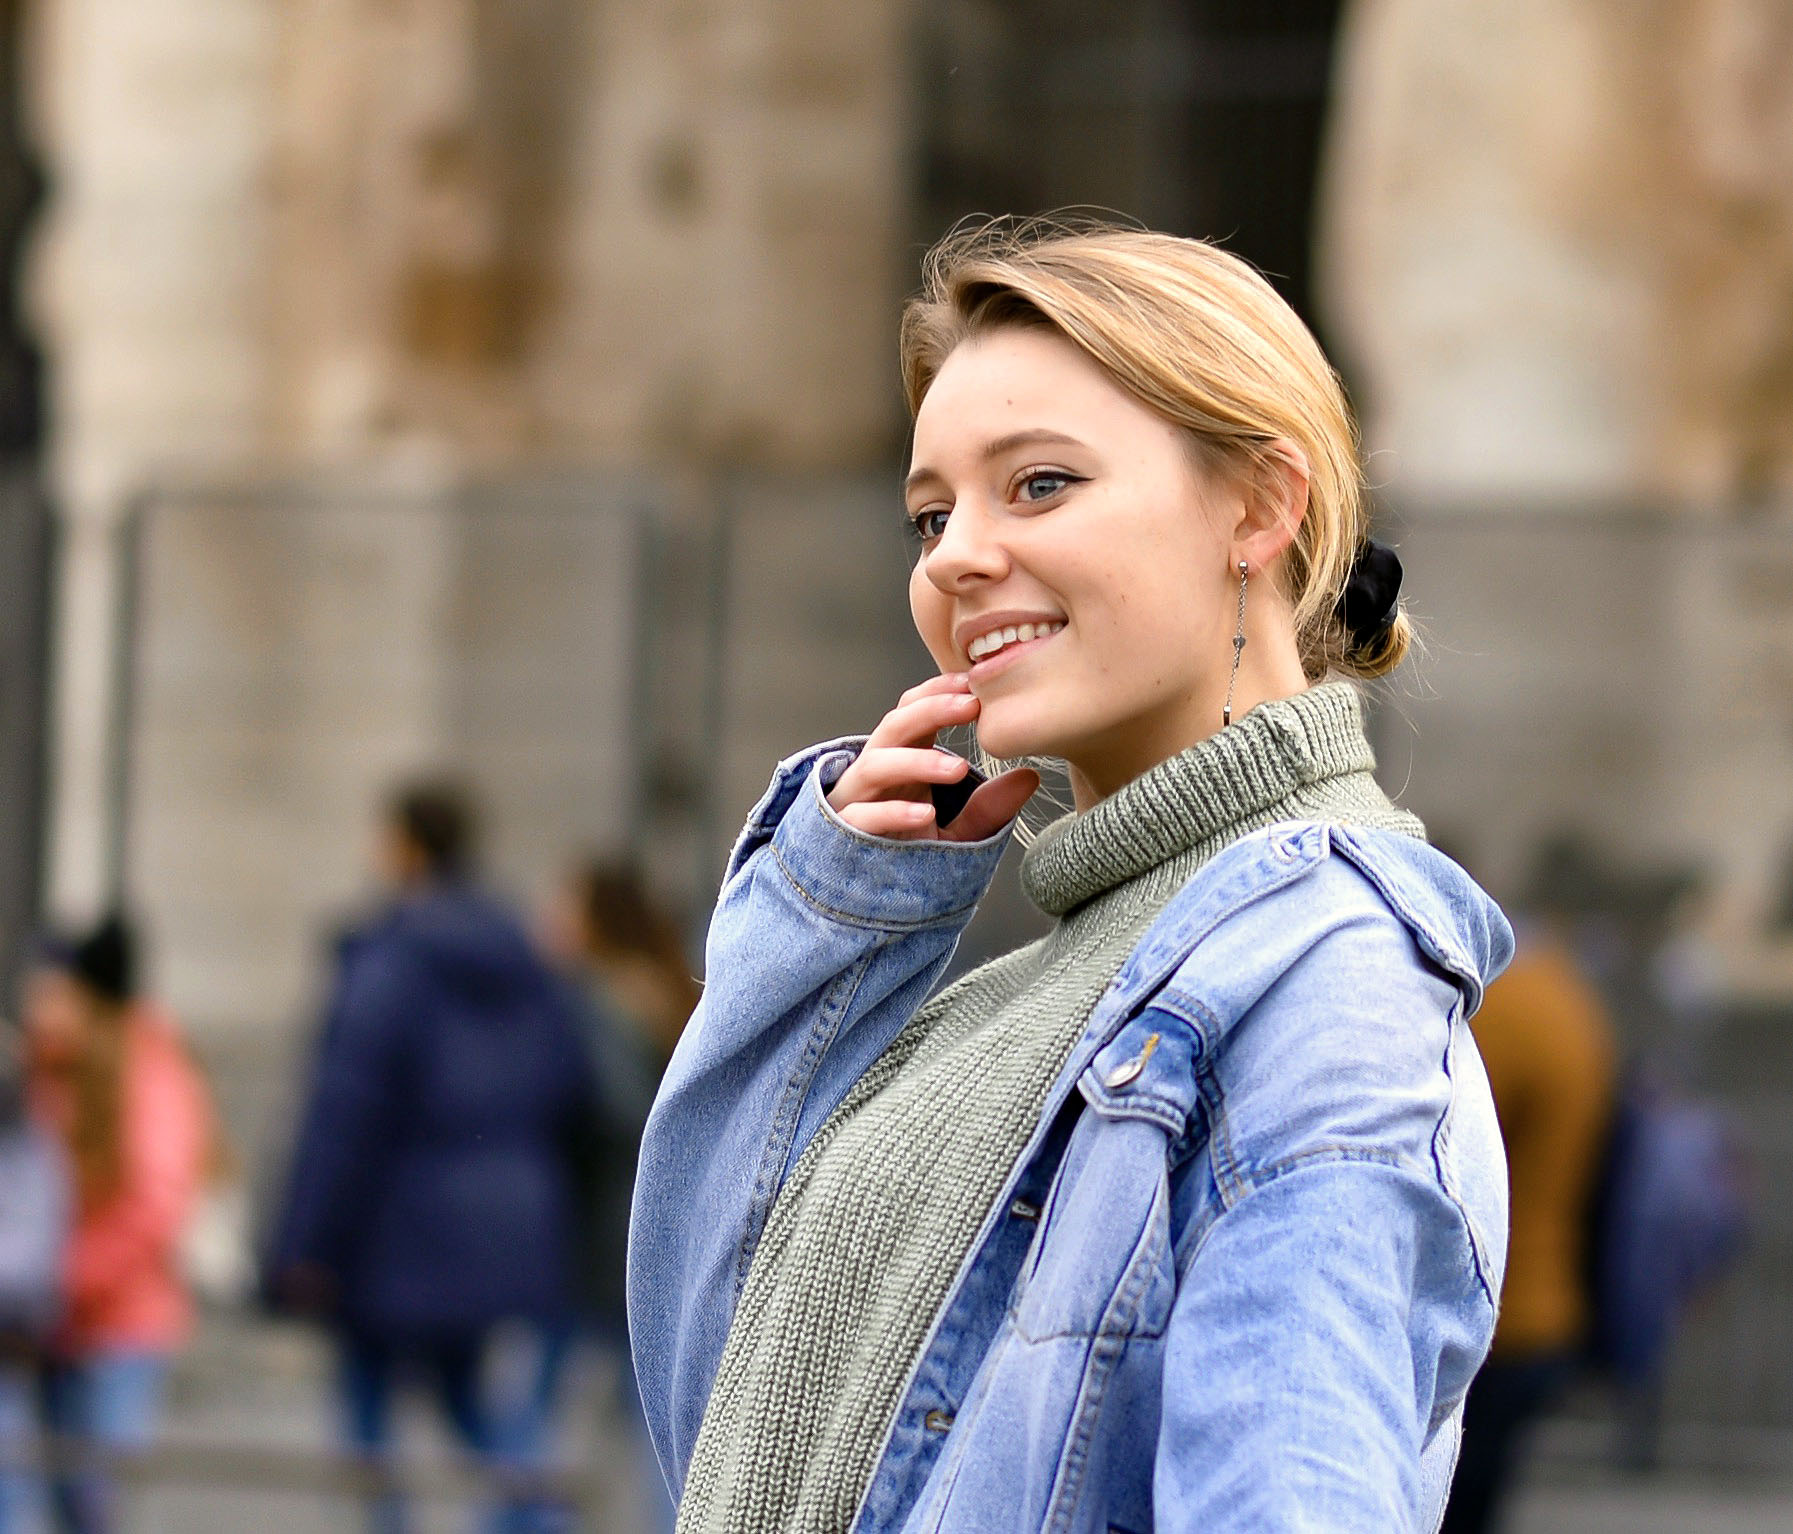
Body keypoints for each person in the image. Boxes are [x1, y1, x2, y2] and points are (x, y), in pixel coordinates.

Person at [629, 219, 1514, 1533]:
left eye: (1038, 484)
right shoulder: (1030, 980)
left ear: (1263, 507)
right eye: (931, 512)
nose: (956, 556)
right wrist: (832, 931)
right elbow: (729, 1421)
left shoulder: (1332, 974)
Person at [265, 781, 599, 1534]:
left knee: (368, 1422)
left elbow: (344, 1112)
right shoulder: (526, 960)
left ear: (404, 847)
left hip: (389, 1232)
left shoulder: (388, 959)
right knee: (477, 1408)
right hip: (500, 1229)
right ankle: (540, 1521)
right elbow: (566, 1086)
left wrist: (305, 1245)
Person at [14, 917, 210, 1534]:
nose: (36, 1008)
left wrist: (61, 1279)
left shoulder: (148, 1069)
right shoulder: (37, 1072)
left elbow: (153, 1205)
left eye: (51, 993)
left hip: (118, 1324)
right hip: (45, 1326)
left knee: (95, 1500)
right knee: (42, 1493)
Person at [1442, 911, 1617, 1532]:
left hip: (1490, 1314)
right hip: (1541, 1309)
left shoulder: (1512, 1009)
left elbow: (1443, 1130)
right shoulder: (1572, 1005)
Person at [543, 858, 698, 1534]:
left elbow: (620, 1113)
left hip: (606, 1234)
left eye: (565, 906)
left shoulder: (599, 1002)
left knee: (549, 1411)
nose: (550, 922)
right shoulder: (667, 989)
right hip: (656, 1230)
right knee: (656, 1421)